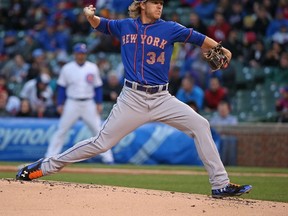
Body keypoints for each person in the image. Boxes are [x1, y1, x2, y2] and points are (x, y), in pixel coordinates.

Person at [16, 0, 252, 198]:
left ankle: (220, 183)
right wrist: (90, 16)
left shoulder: (170, 28)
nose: (159, 6)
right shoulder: (125, 25)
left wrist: (223, 49)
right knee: (101, 143)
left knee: (201, 125)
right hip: (132, 98)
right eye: (155, 2)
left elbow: (200, 39)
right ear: (142, 5)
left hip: (162, 97)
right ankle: (44, 166)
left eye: (161, 3)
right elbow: (101, 25)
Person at [44, 43, 114, 164]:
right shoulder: (67, 68)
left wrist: (98, 103)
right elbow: (61, 87)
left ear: (85, 54)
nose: (81, 55)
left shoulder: (92, 67)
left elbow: (98, 87)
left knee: (98, 130)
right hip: (72, 102)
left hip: (88, 103)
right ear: (74, 54)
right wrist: (60, 103)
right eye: (79, 53)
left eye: (83, 53)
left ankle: (108, 158)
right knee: (62, 130)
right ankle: (49, 156)